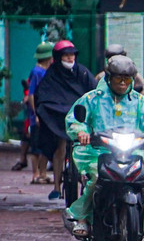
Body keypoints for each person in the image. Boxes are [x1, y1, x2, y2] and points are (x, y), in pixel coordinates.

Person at [64, 55, 144, 238]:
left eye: (127, 79)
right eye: (119, 79)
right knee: (96, 179)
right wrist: (81, 132)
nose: (123, 83)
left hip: (131, 152)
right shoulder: (93, 98)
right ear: (109, 78)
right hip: (97, 152)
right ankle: (83, 218)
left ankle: (141, 219)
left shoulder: (139, 101)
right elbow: (76, 119)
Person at [31, 40, 97, 201]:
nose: (69, 58)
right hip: (60, 120)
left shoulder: (82, 72)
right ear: (58, 57)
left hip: (81, 119)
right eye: (66, 55)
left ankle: (89, 181)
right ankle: (56, 187)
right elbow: (43, 95)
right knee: (60, 148)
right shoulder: (52, 74)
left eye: (72, 54)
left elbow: (94, 93)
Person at [15, 42, 53, 180]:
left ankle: (43, 173)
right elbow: (31, 94)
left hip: (46, 113)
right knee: (35, 146)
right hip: (37, 114)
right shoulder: (37, 72)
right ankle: (36, 174)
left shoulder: (46, 71)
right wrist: (35, 113)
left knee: (45, 145)